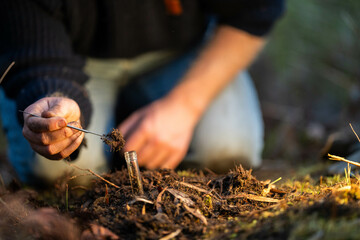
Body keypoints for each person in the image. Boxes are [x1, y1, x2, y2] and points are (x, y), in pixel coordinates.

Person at [0, 0, 284, 185]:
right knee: (61, 175)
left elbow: (254, 13)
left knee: (227, 150)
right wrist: (55, 98)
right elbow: (36, 55)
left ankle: (124, 122)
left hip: (180, 53)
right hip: (70, 58)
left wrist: (184, 106)